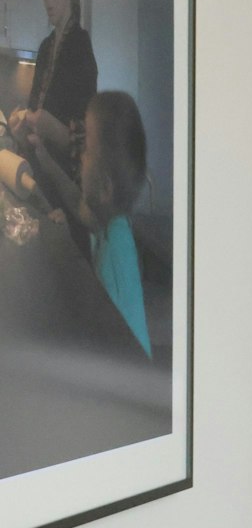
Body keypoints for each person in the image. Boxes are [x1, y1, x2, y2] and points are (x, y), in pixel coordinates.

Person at [7, 91, 152, 355]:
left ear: (105, 188)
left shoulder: (116, 260)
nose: (80, 156)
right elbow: (77, 203)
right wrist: (42, 155)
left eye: (86, 149)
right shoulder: (111, 222)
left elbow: (104, 342)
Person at [5, 0, 99, 181]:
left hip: (68, 188)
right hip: (41, 178)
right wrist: (22, 131)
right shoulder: (46, 49)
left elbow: (85, 146)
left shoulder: (80, 46)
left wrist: (49, 127)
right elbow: (35, 124)